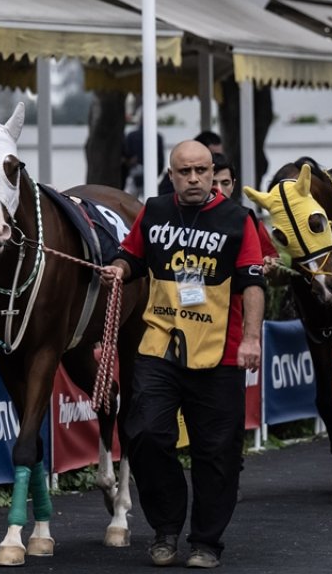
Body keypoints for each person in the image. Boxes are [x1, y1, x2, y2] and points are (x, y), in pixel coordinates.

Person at [101, 140, 265, 569]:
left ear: (213, 173)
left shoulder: (238, 219)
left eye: (201, 171)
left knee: (216, 452)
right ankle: (166, 529)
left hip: (220, 355)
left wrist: (251, 338)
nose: (193, 179)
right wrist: (117, 269)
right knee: (146, 435)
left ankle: (206, 541)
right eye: (184, 172)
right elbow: (131, 256)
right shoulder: (154, 212)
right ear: (171, 175)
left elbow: (252, 284)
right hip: (160, 346)